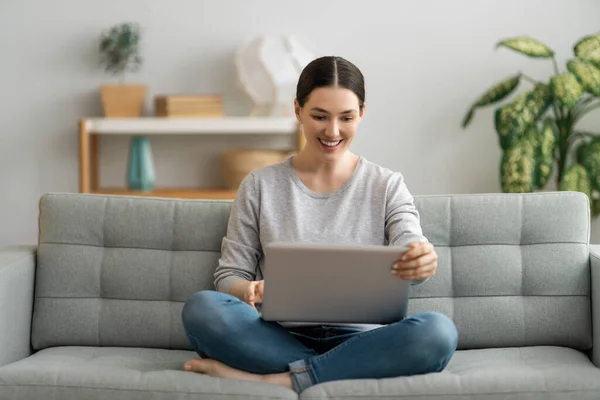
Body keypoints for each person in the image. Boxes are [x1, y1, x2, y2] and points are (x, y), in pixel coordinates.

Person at [181, 56, 458, 393]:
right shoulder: (259, 185)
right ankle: (328, 371)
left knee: (438, 332)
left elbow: (411, 243)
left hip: (363, 338)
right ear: (297, 110)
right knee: (202, 309)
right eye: (319, 116)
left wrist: (421, 260)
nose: (333, 131)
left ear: (362, 114)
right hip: (278, 336)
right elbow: (229, 276)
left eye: (347, 118)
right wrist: (248, 290)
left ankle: (283, 379)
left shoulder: (387, 185)